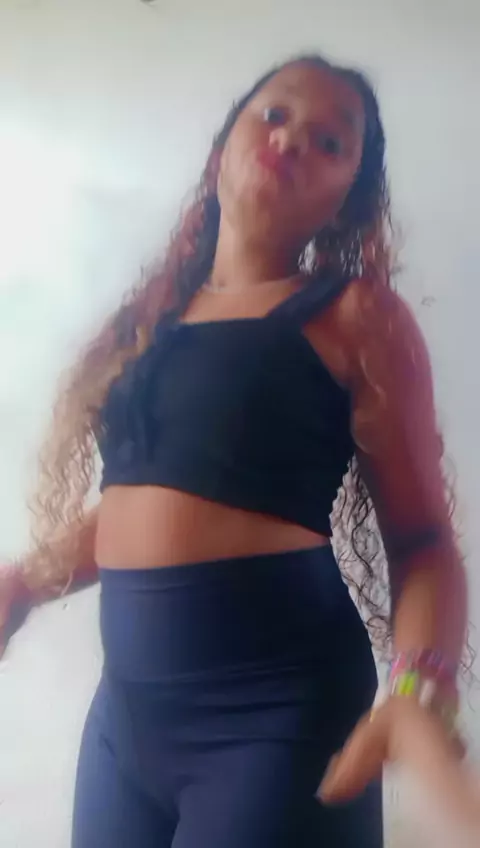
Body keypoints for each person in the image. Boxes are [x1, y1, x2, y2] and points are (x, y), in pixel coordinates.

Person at [0, 53, 477, 847]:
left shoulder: (353, 316)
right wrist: (21, 582)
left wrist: (416, 693)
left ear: (347, 200)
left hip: (276, 718)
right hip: (126, 720)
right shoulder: (151, 321)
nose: (291, 140)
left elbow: (424, 540)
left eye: (330, 141)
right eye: (275, 114)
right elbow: (144, 510)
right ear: (223, 148)